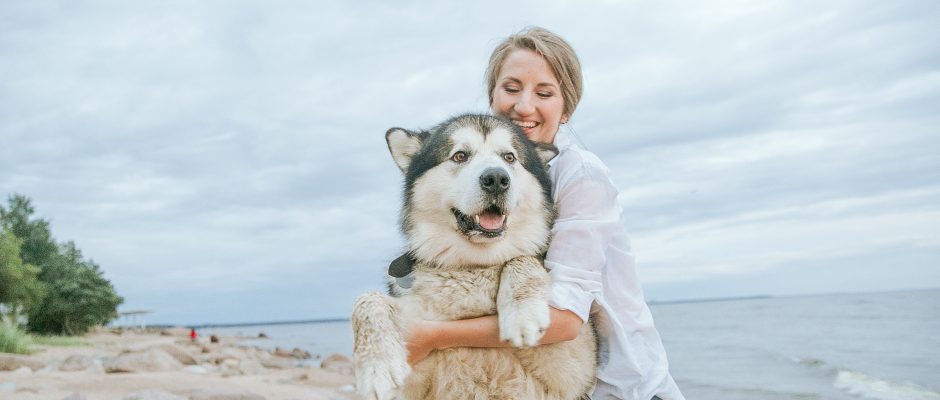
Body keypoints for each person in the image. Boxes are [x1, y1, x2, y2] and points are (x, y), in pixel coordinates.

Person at [402, 27, 685, 400]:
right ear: (492, 96)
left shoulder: (581, 176)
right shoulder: (488, 177)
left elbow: (565, 320)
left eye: (544, 93)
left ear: (566, 108)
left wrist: (429, 336)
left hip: (620, 386)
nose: (523, 106)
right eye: (512, 87)